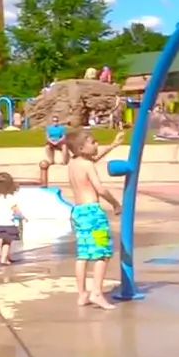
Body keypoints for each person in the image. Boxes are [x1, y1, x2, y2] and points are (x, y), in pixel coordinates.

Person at [65, 129, 124, 309]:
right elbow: (100, 189)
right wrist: (115, 203)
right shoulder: (87, 165)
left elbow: (93, 159)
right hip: (93, 214)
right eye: (93, 142)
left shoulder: (73, 163)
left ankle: (82, 294)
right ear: (82, 148)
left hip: (78, 211)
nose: (97, 145)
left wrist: (113, 144)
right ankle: (97, 293)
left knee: (83, 254)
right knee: (103, 252)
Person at [0, 172, 25, 265]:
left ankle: (6, 256)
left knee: (4, 241)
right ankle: (4, 259)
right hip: (8, 224)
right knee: (7, 242)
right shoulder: (10, 197)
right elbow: (16, 210)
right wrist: (22, 217)